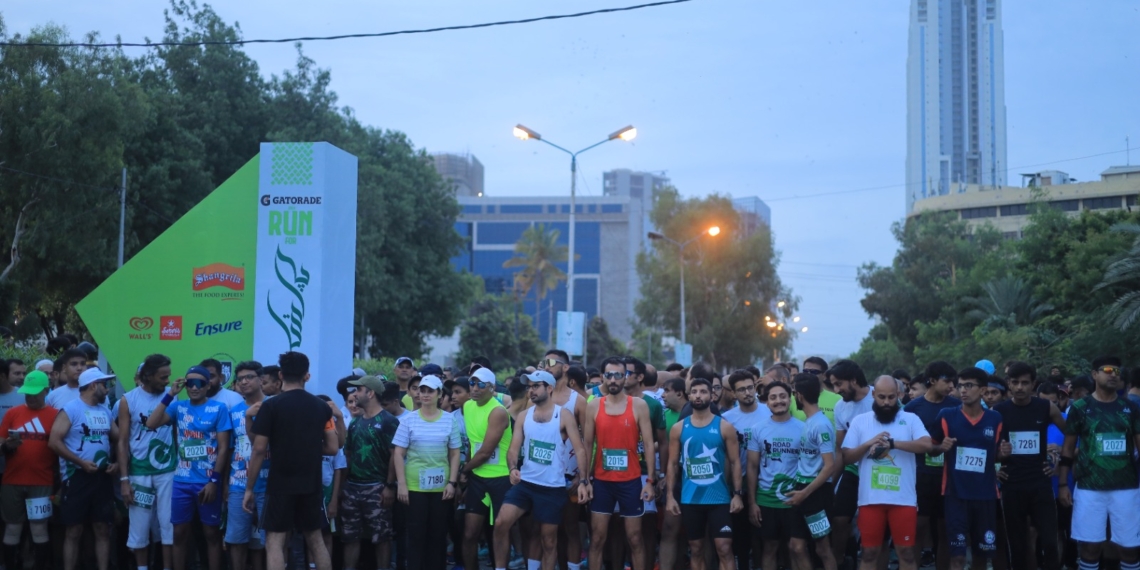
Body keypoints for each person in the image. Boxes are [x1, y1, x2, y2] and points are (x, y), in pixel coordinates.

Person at [244, 352, 340, 570]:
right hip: (311, 483)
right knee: (316, 540)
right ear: (306, 375)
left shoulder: (271, 406)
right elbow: (333, 448)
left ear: (280, 374)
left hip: (280, 484)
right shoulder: (322, 406)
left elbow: (259, 449)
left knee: (275, 541)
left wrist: (249, 488)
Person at [494, 370, 590, 570]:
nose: (531, 391)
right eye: (529, 387)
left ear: (549, 388)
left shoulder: (563, 415)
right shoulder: (523, 416)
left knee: (548, 540)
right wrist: (512, 468)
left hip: (551, 487)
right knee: (501, 523)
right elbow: (513, 449)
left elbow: (580, 449)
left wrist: (583, 480)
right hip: (526, 484)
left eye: (536, 386)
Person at [839, 376, 935, 570]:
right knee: (869, 553)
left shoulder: (910, 419)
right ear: (873, 395)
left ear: (899, 395)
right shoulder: (860, 421)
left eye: (891, 397)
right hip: (870, 500)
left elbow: (927, 445)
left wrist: (893, 444)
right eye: (881, 397)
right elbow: (847, 456)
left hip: (903, 500)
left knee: (906, 553)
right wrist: (867, 444)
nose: (886, 402)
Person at [1057, 356, 1140, 570]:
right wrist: (1064, 484)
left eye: (1117, 371)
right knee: (1090, 549)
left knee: (1129, 548)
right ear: (1094, 374)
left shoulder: (1130, 408)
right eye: (1108, 370)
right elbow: (1067, 449)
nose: (1113, 374)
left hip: (1126, 488)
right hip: (1089, 489)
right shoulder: (1080, 407)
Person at [146, 366, 231, 570]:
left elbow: (223, 448)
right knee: (179, 533)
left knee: (210, 533)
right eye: (190, 383)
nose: (194, 387)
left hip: (207, 482)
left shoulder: (218, 408)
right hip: (182, 481)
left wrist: (214, 481)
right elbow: (151, 423)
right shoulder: (179, 407)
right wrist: (170, 394)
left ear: (208, 384)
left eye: (199, 383)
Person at [930, 367, 1010, 570]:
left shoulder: (995, 419)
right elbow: (930, 449)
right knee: (956, 557)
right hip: (955, 496)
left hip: (985, 497)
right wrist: (940, 447)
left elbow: (995, 456)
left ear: (983, 391)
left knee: (981, 556)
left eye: (969, 385)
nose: (962, 390)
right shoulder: (946, 416)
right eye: (960, 386)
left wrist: (1003, 453)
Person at [583, 356, 657, 570]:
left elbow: (650, 445)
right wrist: (584, 480)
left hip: (631, 482)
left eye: (618, 375)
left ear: (625, 377)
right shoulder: (594, 406)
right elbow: (587, 445)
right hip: (602, 482)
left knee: (635, 538)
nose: (613, 380)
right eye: (609, 375)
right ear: (603, 378)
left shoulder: (639, 405)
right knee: (597, 538)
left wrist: (650, 480)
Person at [665, 378, 742, 570]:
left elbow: (735, 462)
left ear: (711, 395)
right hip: (691, 499)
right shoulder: (678, 428)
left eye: (703, 392)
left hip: (720, 499)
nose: (698, 395)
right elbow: (673, 464)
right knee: (696, 548)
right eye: (695, 392)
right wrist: (669, 497)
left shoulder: (724, 427)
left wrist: (737, 495)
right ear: (689, 395)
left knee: (724, 548)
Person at [996, 361, 1066, 570]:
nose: (1019, 387)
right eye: (1015, 382)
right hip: (1012, 484)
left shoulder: (1046, 407)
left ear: (1033, 384)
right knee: (1017, 546)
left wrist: (1057, 460)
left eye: (1025, 383)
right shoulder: (998, 411)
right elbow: (985, 445)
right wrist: (995, 467)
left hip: (1040, 484)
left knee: (1049, 543)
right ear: (1008, 383)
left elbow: (1071, 434)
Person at [47, 367, 117, 570]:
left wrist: (118, 463)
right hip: (76, 476)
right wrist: (80, 462)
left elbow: (119, 438)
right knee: (74, 530)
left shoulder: (105, 410)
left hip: (102, 477)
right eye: (105, 385)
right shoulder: (71, 409)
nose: (108, 389)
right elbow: (54, 441)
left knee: (102, 528)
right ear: (94, 385)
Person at [393, 374, 462, 570]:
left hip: (441, 488)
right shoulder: (408, 420)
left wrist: (452, 482)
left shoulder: (449, 420)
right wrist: (402, 485)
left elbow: (455, 454)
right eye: (421, 390)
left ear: (440, 394)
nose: (424, 394)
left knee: (437, 536)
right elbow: (398, 454)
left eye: (430, 390)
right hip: (414, 487)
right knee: (415, 535)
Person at [115, 354, 177, 570]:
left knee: (168, 524)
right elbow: (122, 442)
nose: (167, 381)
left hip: (167, 471)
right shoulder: (128, 399)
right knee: (139, 526)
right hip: (139, 473)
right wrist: (124, 479)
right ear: (148, 376)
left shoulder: (173, 398)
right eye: (162, 377)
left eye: (168, 376)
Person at [903, 361, 961, 569]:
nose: (951, 386)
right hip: (920, 475)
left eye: (953, 382)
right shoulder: (912, 408)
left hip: (949, 476)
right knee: (918, 527)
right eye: (947, 381)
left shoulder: (956, 406)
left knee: (945, 529)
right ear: (932, 381)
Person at [341, 376, 400, 570]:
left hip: (378, 487)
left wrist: (390, 486)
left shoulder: (388, 421)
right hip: (352, 488)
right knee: (350, 536)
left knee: (382, 537)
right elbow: (348, 455)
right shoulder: (355, 423)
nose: (354, 394)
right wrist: (343, 486)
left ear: (371, 393)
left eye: (359, 390)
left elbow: (395, 455)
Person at [0, 370, 57, 570]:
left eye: (35, 392)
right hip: (12, 480)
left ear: (46, 391)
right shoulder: (12, 413)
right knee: (12, 528)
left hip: (42, 482)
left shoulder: (55, 415)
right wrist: (7, 446)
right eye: (27, 392)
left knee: (39, 529)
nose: (30, 396)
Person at [461, 365, 514, 570]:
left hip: (500, 478)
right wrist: (468, 469)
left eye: (480, 384)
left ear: (492, 388)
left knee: (499, 531)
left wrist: (464, 470)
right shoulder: (467, 406)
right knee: (469, 533)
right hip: (477, 477)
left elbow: (484, 452)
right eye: (472, 383)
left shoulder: (498, 411)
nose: (474, 388)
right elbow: (472, 444)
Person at [746, 380, 803, 570]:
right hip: (766, 499)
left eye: (782, 396)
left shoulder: (804, 429)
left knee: (795, 548)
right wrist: (753, 503)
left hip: (795, 499)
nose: (778, 401)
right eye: (773, 397)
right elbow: (752, 467)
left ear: (790, 398)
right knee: (769, 547)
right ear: (767, 402)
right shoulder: (758, 429)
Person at [787, 373, 839, 570]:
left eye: (793, 394)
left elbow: (830, 466)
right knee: (796, 546)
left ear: (799, 395)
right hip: (802, 489)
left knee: (822, 548)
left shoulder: (822, 425)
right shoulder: (809, 421)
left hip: (816, 493)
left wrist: (805, 493)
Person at [719, 370, 767, 570]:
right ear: (733, 393)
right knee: (740, 539)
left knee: (762, 538)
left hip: (764, 484)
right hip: (737, 485)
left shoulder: (768, 411)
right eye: (741, 390)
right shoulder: (726, 418)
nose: (747, 393)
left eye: (750, 388)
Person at [829, 359, 874, 565]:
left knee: (871, 525)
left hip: (877, 472)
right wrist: (831, 484)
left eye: (839, 384)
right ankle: (839, 562)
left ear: (853, 380)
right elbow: (840, 449)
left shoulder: (879, 397)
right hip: (853, 471)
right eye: (833, 385)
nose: (836, 390)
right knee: (839, 520)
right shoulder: (840, 407)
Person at [225, 361, 268, 570]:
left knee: (274, 539)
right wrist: (225, 483)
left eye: (249, 377)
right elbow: (229, 449)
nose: (244, 382)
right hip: (238, 483)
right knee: (236, 539)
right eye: (240, 378)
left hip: (270, 483)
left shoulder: (275, 406)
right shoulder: (233, 412)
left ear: (262, 380)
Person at [796, 357, 842, 422]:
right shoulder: (794, 398)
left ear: (824, 376)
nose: (808, 375)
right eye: (805, 371)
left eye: (814, 372)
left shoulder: (838, 400)